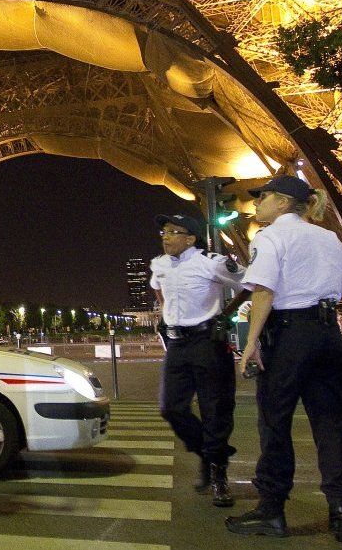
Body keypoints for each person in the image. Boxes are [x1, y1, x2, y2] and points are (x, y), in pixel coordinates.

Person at [225, 175, 342, 543]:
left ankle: (272, 510)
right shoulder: (328, 237)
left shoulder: (269, 237)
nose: (257, 203)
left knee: (274, 424)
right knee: (331, 425)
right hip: (326, 335)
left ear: (284, 202)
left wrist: (250, 343)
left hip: (289, 338)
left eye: (264, 196)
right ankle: (341, 513)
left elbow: (264, 292)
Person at [150, 213, 245, 507]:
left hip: (207, 343)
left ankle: (218, 475)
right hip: (177, 345)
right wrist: (167, 312)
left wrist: (227, 311)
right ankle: (208, 452)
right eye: (163, 231)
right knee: (171, 407)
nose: (165, 237)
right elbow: (157, 286)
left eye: (173, 232)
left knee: (215, 409)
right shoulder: (159, 264)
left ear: (190, 239)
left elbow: (251, 282)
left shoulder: (211, 263)